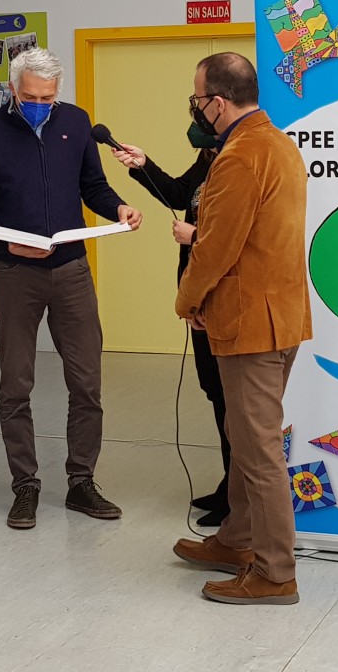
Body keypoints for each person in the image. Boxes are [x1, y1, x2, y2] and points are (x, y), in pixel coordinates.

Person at [0, 47, 142, 530]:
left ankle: (81, 481)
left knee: (87, 382)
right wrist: (13, 245)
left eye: (48, 96)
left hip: (71, 271)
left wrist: (120, 207)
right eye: (31, 97)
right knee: (15, 386)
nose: (40, 103)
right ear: (13, 90)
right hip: (15, 274)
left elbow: (94, 187)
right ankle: (25, 485)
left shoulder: (76, 122)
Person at [170, 52, 310, 606]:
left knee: (258, 450)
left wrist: (186, 300)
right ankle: (238, 539)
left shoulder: (238, 156)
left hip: (251, 322)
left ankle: (276, 574)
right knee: (246, 435)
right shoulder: (277, 143)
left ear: (217, 103)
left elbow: (214, 248)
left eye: (196, 98)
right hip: (278, 316)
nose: (195, 108)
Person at [110, 130, 230, 527]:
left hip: (224, 296)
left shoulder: (239, 158)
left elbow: (242, 235)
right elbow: (180, 195)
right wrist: (144, 166)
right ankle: (232, 485)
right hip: (198, 296)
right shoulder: (208, 157)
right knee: (215, 391)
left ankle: (240, 497)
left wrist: (195, 236)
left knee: (233, 400)